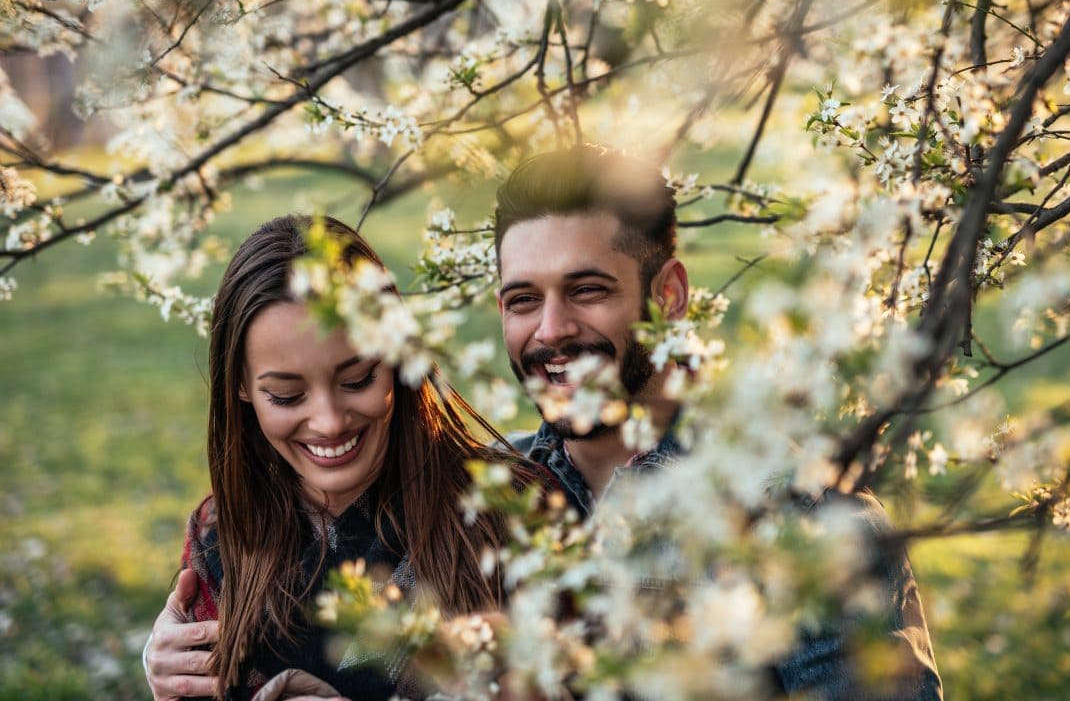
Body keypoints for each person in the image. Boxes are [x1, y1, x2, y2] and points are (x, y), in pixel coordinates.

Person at [492, 145, 943, 699]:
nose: (551, 329)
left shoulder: (799, 508)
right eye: (523, 300)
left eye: (587, 290)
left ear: (670, 296)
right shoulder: (482, 494)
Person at [145, 214, 542, 701]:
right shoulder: (223, 540)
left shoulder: (503, 514)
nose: (329, 422)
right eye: (287, 396)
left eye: (357, 380)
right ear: (242, 389)